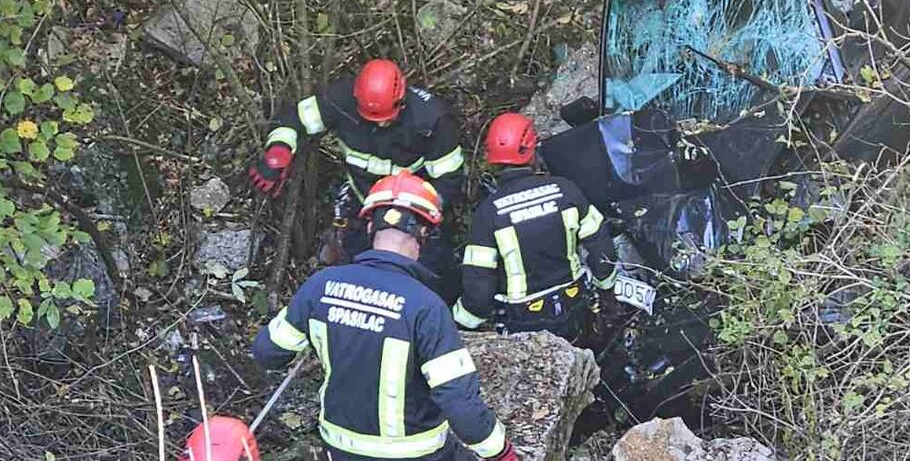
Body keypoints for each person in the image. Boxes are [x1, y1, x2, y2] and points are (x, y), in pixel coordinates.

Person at [252, 171, 518, 461]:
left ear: (370, 226)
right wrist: (501, 453)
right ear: (425, 232)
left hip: (338, 449)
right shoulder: (425, 307)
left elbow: (267, 352)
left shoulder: (321, 285)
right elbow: (460, 404)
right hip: (417, 454)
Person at [248, 58, 464, 302]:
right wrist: (279, 149)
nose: (379, 123)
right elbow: (294, 117)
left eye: (385, 118)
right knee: (360, 279)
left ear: (401, 101)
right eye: (371, 118)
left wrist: (420, 219)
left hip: (416, 218)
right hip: (364, 209)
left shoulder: (429, 120)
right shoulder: (341, 102)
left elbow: (451, 180)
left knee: (426, 283)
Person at [452, 113, 643, 345]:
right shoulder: (566, 191)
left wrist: (460, 324)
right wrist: (607, 294)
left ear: (490, 157)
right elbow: (602, 250)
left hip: (523, 323)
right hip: (575, 308)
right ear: (533, 149)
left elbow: (479, 291)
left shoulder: (488, 214)